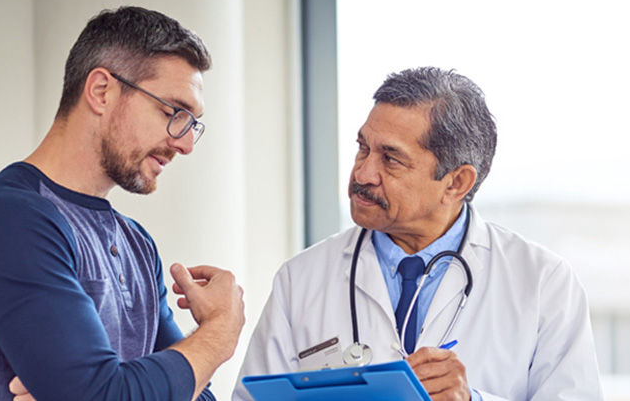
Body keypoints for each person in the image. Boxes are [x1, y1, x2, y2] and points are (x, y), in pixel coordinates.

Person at [0, 6, 244, 401]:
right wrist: (219, 333)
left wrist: (112, 385)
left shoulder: (137, 244)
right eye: (173, 112)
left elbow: (196, 396)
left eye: (192, 124)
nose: (185, 143)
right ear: (101, 91)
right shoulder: (4, 219)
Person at [233, 67, 602, 400]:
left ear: (456, 183)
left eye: (390, 159)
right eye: (363, 148)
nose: (362, 174)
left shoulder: (543, 283)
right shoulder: (301, 279)